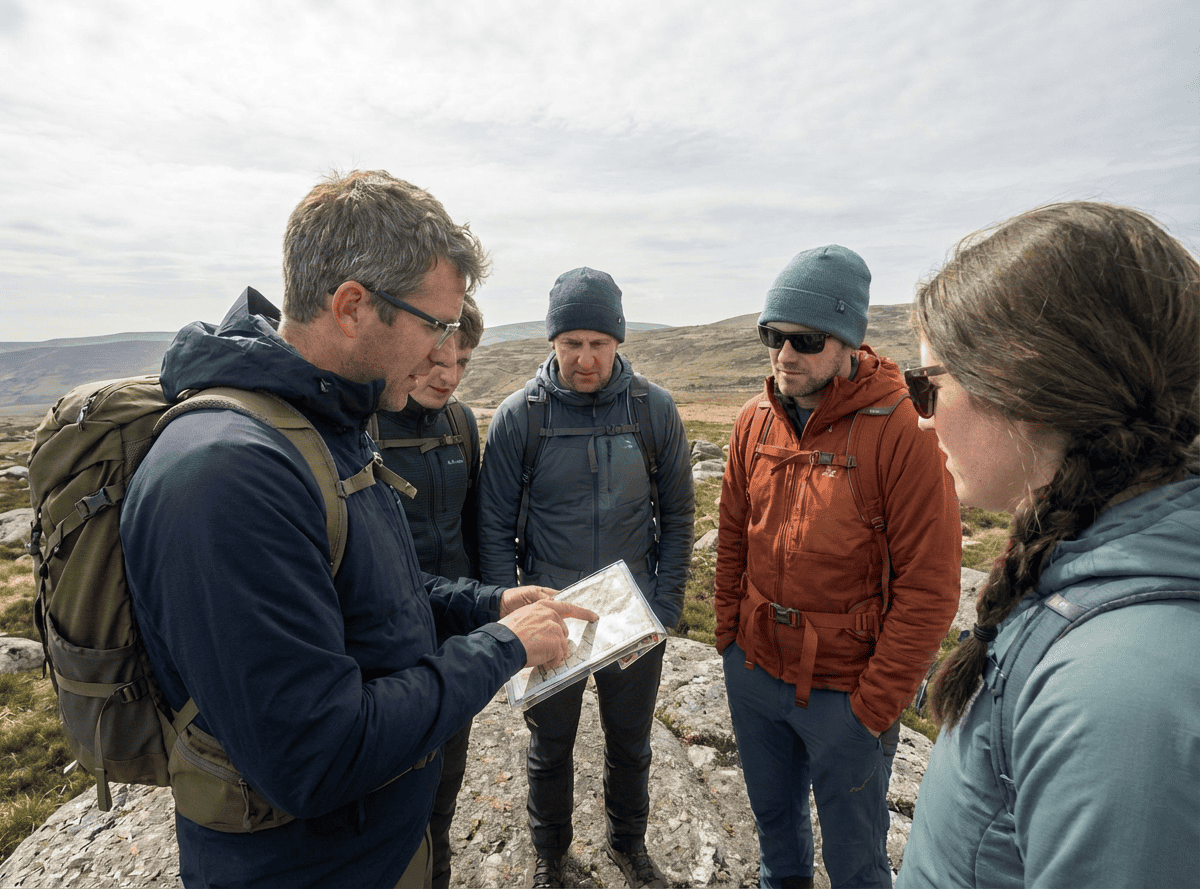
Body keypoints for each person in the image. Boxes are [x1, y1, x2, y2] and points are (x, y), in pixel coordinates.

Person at [119, 169, 595, 889]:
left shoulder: (326, 424)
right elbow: (317, 756)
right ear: (351, 307)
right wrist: (499, 649)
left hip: (375, 848)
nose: (445, 355)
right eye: (435, 324)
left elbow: (371, 596)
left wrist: (485, 606)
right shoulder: (229, 475)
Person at [895, 202, 1200, 889]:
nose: (920, 419)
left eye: (926, 385)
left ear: (1019, 379)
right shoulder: (1094, 580)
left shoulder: (1120, 693)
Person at [714, 245, 962, 889]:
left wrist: (873, 706)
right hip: (756, 672)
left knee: (856, 864)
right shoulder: (753, 422)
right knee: (777, 840)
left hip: (845, 692)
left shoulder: (903, 432)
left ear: (850, 342)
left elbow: (930, 589)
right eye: (773, 335)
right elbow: (733, 538)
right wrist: (728, 642)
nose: (785, 355)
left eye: (807, 339)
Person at [477, 267, 695, 889]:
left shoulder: (652, 410)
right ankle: (551, 858)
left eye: (599, 343)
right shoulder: (522, 416)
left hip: (632, 614)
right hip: (553, 617)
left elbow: (679, 512)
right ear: (552, 342)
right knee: (551, 748)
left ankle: (630, 846)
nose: (585, 358)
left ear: (618, 342)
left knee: (632, 744)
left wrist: (666, 604)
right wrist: (511, 622)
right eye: (571, 342)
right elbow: (493, 525)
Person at [373, 293, 485, 889]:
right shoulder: (361, 426)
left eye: (463, 362)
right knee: (390, 799)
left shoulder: (461, 425)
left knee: (444, 791)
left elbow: (473, 528)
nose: (448, 376)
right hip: (385, 648)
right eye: (438, 360)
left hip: (454, 636)